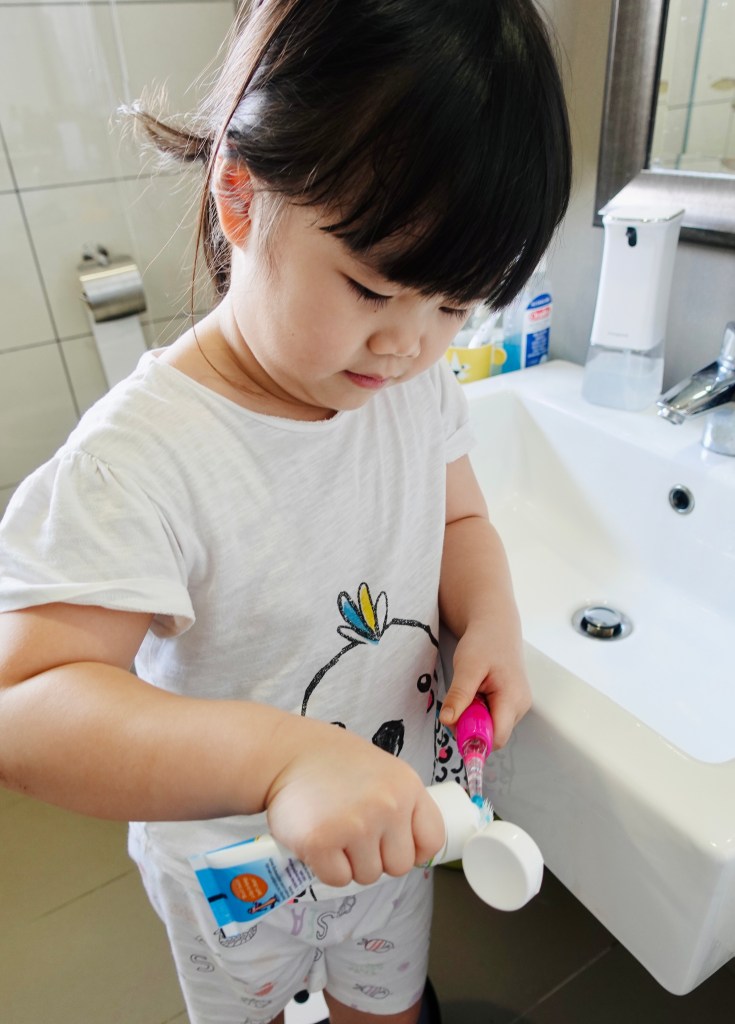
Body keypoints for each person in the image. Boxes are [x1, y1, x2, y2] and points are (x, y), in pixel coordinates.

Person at [0, 2, 571, 1022]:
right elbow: (27, 707)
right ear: (240, 196)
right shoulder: (140, 460)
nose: (407, 344)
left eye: (452, 305)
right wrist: (282, 759)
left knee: (386, 999)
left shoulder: (411, 389)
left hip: (385, 831)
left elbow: (459, 523)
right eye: (371, 289)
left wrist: (491, 617)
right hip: (237, 868)